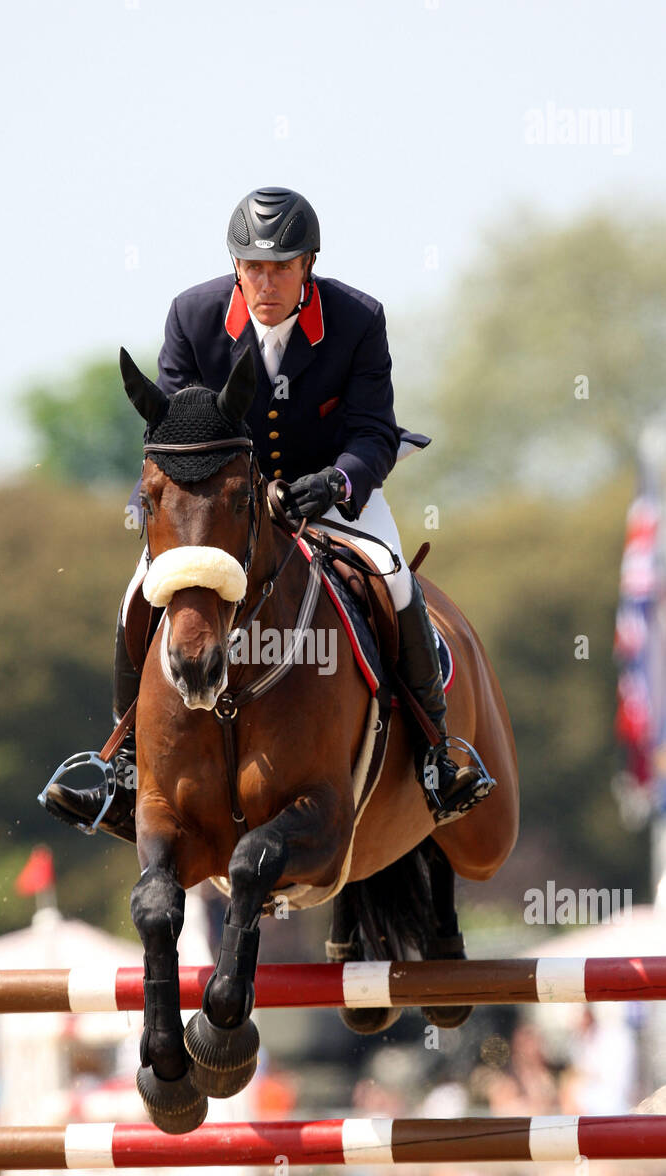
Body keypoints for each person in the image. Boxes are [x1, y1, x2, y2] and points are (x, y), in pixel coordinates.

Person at [43, 186, 493, 841]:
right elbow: (176, 433)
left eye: (280, 266)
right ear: (235, 267)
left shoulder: (356, 319)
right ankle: (123, 768)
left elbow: (372, 430)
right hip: (224, 513)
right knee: (136, 593)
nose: (265, 281)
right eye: (252, 267)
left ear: (308, 264)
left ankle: (434, 752)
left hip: (333, 499)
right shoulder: (193, 317)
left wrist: (337, 482)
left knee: (392, 577)